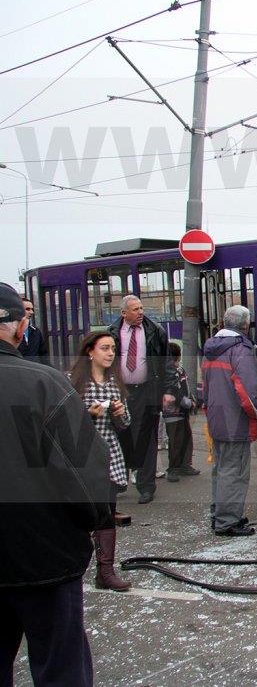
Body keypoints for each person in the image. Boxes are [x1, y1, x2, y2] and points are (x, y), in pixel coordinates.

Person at [0, 282, 109, 686]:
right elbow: (83, 469)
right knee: (60, 667)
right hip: (43, 554)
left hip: (40, 552)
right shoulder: (44, 384)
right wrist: (93, 520)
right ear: (20, 325)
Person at [68, 332, 133, 592]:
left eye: (113, 349)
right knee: (82, 515)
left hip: (108, 454)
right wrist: (88, 414)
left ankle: (105, 571)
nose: (110, 353)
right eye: (104, 348)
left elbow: (125, 423)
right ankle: (74, 566)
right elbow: (65, 422)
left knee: (106, 513)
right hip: (82, 455)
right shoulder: (74, 383)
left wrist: (119, 413)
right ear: (90, 352)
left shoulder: (114, 383)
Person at [109, 295, 175, 504]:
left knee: (147, 438)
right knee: (119, 436)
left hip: (148, 390)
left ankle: (146, 486)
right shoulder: (111, 333)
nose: (140, 312)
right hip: (121, 392)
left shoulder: (155, 332)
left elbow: (166, 363)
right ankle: (118, 480)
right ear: (123, 313)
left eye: (141, 308)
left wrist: (168, 390)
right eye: (135, 309)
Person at [202, 306, 257, 536]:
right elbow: (247, 390)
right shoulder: (241, 349)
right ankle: (227, 521)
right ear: (245, 325)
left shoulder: (211, 348)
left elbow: (206, 388)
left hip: (216, 417)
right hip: (235, 419)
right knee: (234, 471)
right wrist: (256, 415)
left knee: (221, 468)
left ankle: (219, 514)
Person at [163, 342, 199, 483]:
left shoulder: (180, 370)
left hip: (183, 412)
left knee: (186, 438)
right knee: (175, 441)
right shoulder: (167, 373)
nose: (177, 362)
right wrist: (188, 403)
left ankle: (185, 465)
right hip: (172, 413)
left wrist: (192, 399)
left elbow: (186, 387)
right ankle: (173, 469)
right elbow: (175, 393)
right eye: (175, 360)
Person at [17, 297, 49, 365]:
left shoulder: (36, 331)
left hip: (34, 372)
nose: (32, 312)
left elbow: (43, 355)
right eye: (27, 309)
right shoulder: (9, 333)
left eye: (32, 309)